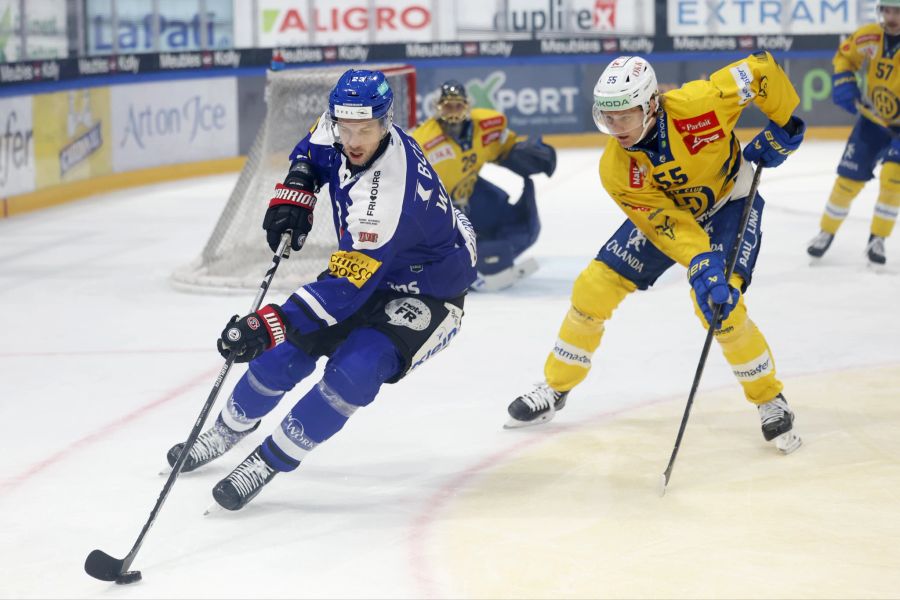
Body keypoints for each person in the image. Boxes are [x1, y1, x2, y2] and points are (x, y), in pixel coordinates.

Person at [167, 69, 477, 511]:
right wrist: (296, 190)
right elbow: (310, 153)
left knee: (356, 368)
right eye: (345, 127)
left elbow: (346, 291)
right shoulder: (339, 124)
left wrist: (268, 322)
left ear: (386, 122)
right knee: (283, 355)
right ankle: (226, 430)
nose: (352, 139)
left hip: (428, 287)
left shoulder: (385, 195)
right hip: (374, 267)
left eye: (364, 130)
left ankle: (269, 460)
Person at [506, 53, 806, 455]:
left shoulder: (701, 104)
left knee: (720, 307)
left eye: (624, 117)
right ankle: (556, 387)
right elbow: (665, 222)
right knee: (593, 287)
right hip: (675, 217)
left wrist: (785, 124)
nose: (615, 129)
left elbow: (762, 69)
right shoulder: (616, 168)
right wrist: (701, 258)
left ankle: (768, 397)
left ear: (650, 105)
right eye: (606, 118)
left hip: (731, 200)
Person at [411, 80, 556, 291]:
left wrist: (521, 153)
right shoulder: (423, 140)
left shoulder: (487, 126)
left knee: (520, 223)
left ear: (467, 106)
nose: (453, 112)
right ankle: (455, 263)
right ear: (437, 107)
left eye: (457, 106)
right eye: (447, 106)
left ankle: (488, 256)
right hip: (441, 210)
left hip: (469, 196)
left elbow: (504, 148)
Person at [807, 0, 900, 265]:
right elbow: (845, 57)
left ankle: (878, 238)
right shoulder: (871, 34)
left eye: (897, 12)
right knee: (847, 181)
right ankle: (826, 232)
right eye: (887, 11)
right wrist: (844, 82)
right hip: (872, 120)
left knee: (894, 179)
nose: (891, 17)